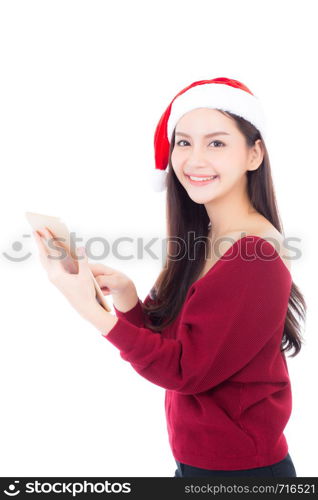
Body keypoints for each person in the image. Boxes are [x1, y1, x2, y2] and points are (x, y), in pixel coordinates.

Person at [34, 77, 306, 477]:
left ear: (254, 154)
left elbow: (184, 372)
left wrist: (93, 313)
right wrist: (127, 299)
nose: (195, 159)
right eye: (183, 142)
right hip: (198, 463)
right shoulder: (207, 238)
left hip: (240, 474)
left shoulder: (255, 255)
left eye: (216, 143)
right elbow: (178, 348)